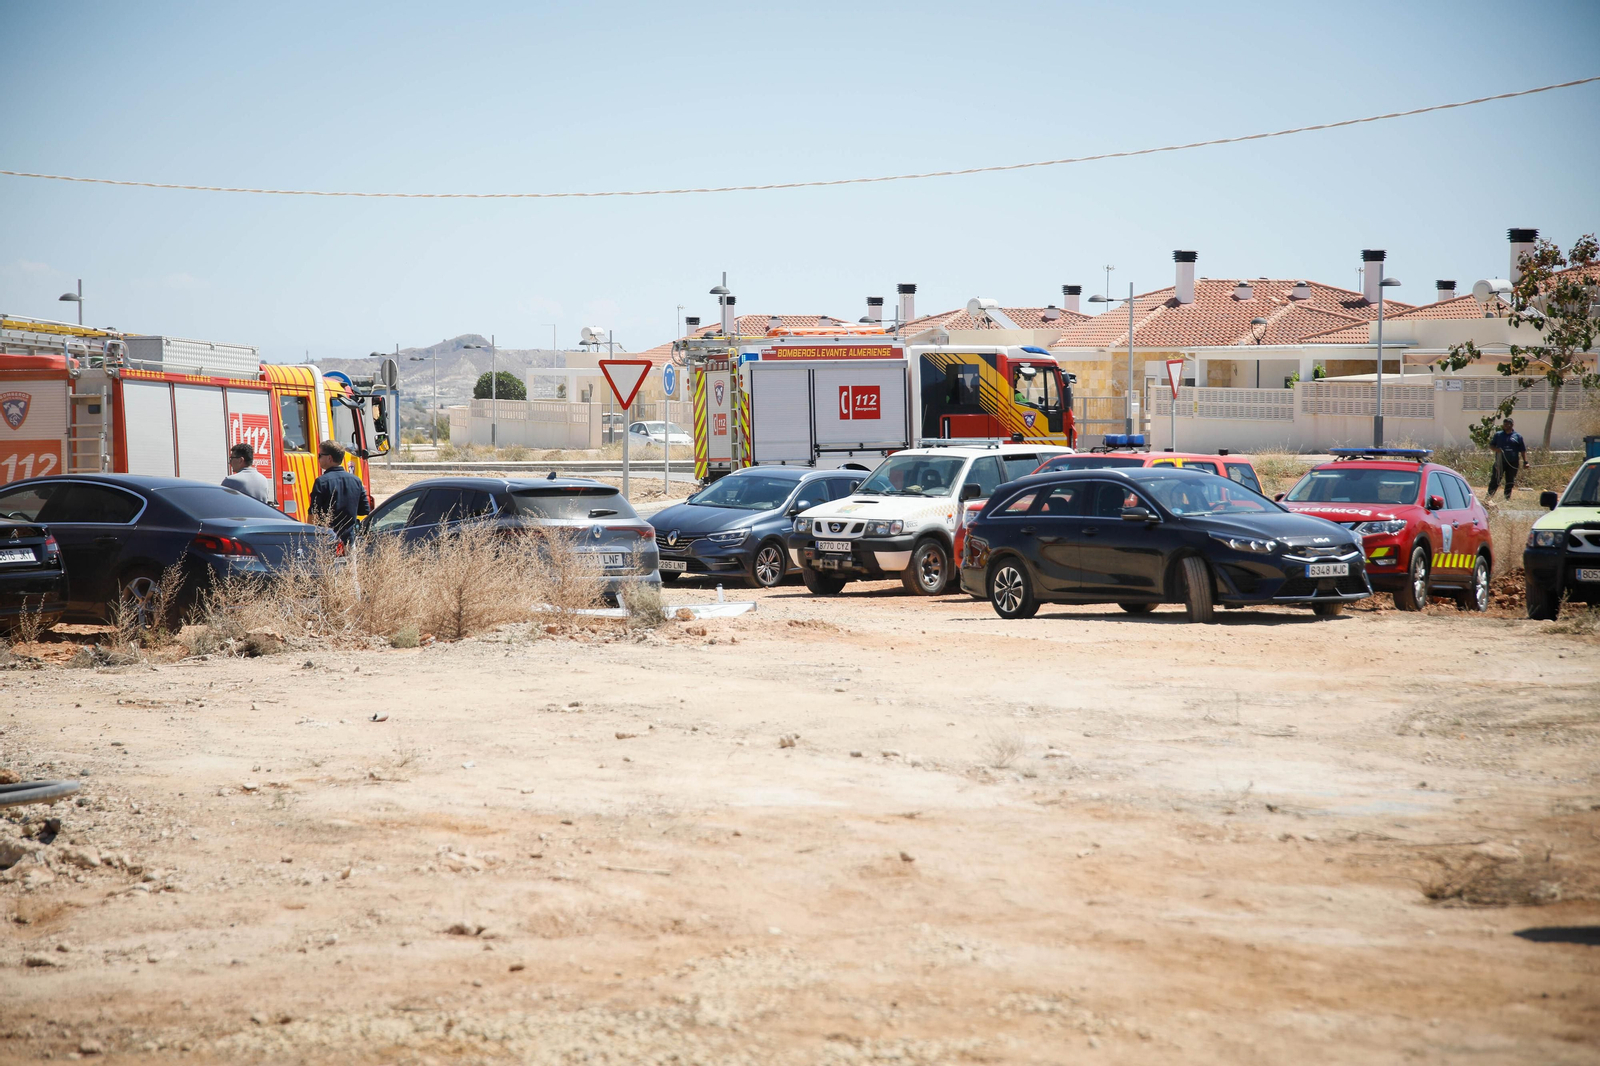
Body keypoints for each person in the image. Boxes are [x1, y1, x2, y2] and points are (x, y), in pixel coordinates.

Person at [308, 440, 370, 544]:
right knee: (350, 561)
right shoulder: (356, 481)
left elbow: (313, 514)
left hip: (327, 540)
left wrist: (309, 536)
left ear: (329, 458)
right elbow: (364, 510)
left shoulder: (321, 482)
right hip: (349, 540)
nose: (318, 459)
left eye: (320, 455)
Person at [1487, 418, 1527, 499]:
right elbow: (1491, 445)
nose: (1505, 426)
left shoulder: (1517, 436)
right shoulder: (1498, 435)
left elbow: (1523, 450)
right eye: (1504, 424)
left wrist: (1526, 462)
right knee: (1495, 480)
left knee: (1510, 481)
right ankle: (1488, 498)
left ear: (1512, 425)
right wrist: (1496, 450)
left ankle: (1507, 498)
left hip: (1513, 463)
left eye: (1507, 424)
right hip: (1500, 462)